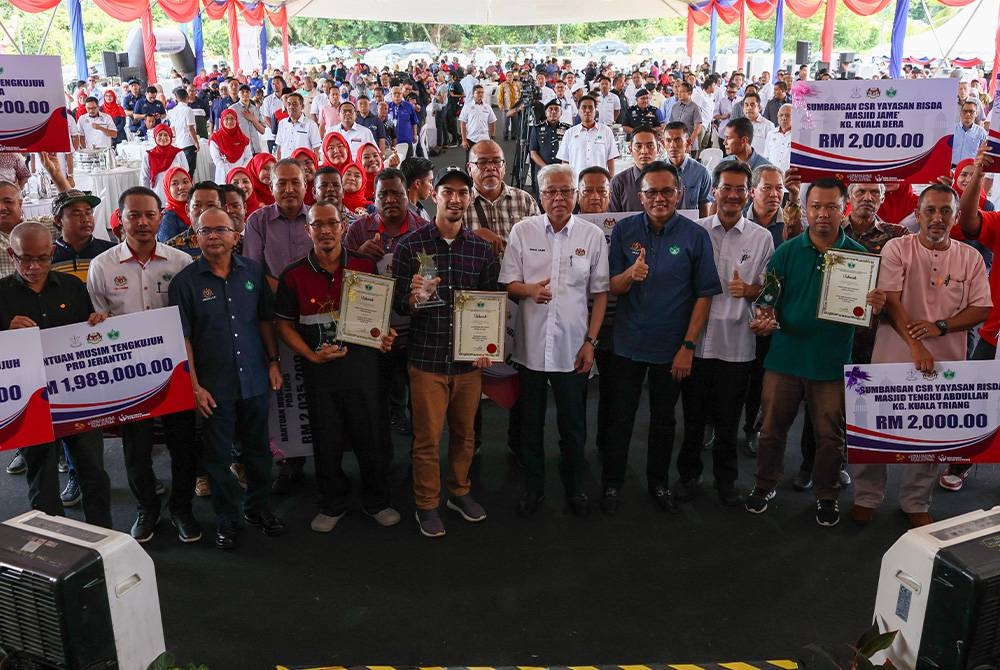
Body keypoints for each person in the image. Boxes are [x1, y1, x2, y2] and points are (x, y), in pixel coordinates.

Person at [745, 178, 886, 527]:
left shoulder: (860, 258)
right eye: (817, 206)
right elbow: (768, 301)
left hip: (831, 361)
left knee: (830, 436)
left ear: (843, 209)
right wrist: (764, 319)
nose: (823, 214)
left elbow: (866, 318)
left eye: (831, 207)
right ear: (806, 209)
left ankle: (826, 494)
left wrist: (875, 306)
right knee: (771, 430)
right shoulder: (786, 251)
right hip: (785, 357)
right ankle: (764, 484)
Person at [851, 184, 990, 528]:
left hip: (946, 362)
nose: (937, 218)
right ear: (917, 214)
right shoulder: (898, 247)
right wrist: (916, 345)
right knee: (877, 426)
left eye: (945, 211)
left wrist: (941, 327)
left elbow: (981, 309)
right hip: (893, 354)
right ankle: (866, 496)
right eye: (930, 210)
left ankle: (915, 501)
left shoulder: (970, 257)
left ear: (957, 217)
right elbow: (891, 299)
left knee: (930, 434)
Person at [601, 161, 722, 515]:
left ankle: (658, 482)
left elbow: (704, 295)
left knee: (664, 420)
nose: (659, 198)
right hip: (627, 344)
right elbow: (612, 286)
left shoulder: (695, 235)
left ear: (679, 194)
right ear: (640, 196)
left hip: (671, 348)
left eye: (667, 191)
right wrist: (630, 274)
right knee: (619, 418)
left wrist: (688, 346)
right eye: (651, 192)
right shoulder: (623, 231)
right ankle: (612, 482)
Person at [276, 200, 400, 533]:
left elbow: (379, 316)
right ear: (308, 230)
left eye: (332, 223)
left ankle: (377, 500)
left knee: (371, 435)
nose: (326, 230)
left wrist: (385, 334)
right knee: (326, 440)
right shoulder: (293, 275)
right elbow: (283, 325)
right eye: (318, 224)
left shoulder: (364, 265)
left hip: (364, 369)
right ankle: (332, 503)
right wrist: (311, 355)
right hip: (320, 373)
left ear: (344, 226)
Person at [391, 166, 500, 538]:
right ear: (434, 195)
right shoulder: (410, 246)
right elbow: (398, 305)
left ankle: (459, 492)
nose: (455, 199)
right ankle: (426, 504)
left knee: (465, 435)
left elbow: (490, 303)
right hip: (426, 360)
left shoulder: (481, 250)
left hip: (469, 364)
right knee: (426, 439)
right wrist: (415, 298)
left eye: (462, 193)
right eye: (447, 192)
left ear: (469, 198)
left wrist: (488, 347)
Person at [169, 206, 286, 550]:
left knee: (258, 451)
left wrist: (273, 362)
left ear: (236, 235)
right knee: (218, 458)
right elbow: (183, 338)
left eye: (221, 229)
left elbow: (265, 320)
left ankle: (258, 509)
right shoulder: (184, 283)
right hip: (213, 387)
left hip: (255, 378)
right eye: (205, 231)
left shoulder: (253, 272)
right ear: (196, 238)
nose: (213, 236)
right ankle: (227, 519)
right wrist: (194, 386)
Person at [87, 186, 200, 543]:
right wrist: (97, 323)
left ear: (160, 217)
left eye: (150, 215)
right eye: (133, 215)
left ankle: (182, 509)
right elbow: (96, 319)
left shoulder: (180, 263)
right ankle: (146, 508)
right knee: (136, 449)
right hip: (131, 375)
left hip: (175, 369)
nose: (142, 222)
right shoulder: (102, 266)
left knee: (183, 445)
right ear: (120, 219)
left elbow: (192, 317)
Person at [499, 164, 609, 517]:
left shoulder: (592, 236)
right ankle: (533, 488)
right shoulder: (523, 231)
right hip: (530, 349)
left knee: (573, 427)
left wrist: (591, 342)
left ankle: (575, 486)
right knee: (530, 427)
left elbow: (600, 294)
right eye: (550, 192)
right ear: (540, 195)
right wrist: (528, 290)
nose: (559, 198)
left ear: (576, 194)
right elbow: (508, 283)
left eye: (566, 191)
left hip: (573, 349)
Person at [0, 220, 112, 528]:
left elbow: (91, 335)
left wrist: (98, 323)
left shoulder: (73, 287)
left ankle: (104, 535)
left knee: (93, 469)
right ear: (11, 254)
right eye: (25, 258)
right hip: (29, 401)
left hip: (77, 395)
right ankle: (54, 539)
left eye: (42, 258)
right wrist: (5, 331)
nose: (34, 267)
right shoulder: (1, 294)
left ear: (52, 253)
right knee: (42, 475)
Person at [677, 162, 773, 506]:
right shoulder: (695, 230)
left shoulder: (761, 238)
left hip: (737, 344)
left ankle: (726, 481)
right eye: (726, 188)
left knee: (728, 421)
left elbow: (768, 291)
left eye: (740, 189)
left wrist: (749, 291)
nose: (732, 195)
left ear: (749, 194)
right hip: (696, 342)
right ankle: (688, 476)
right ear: (714, 191)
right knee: (693, 418)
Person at [242, 159, 312, 493]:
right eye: (281, 183)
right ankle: (288, 461)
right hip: (273, 317)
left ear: (305, 185)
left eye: (294, 182)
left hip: (315, 315)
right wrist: (289, 297)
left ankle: (321, 454)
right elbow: (253, 271)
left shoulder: (317, 216)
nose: (288, 189)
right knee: (284, 392)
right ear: (270, 187)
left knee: (314, 386)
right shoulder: (258, 221)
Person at [556, 95, 620, 177]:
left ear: (595, 111)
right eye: (584, 107)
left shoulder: (606, 131)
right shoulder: (569, 133)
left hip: (600, 181)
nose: (587, 110)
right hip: (576, 181)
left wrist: (611, 180)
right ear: (578, 111)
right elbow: (565, 161)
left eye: (590, 107)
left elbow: (610, 159)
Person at [662, 122, 712, 217]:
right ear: (663, 143)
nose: (673, 145)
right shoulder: (656, 172)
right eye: (668, 140)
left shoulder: (701, 172)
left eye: (678, 140)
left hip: (691, 222)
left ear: (688, 142)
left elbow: (704, 205)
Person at [609, 126, 660, 213]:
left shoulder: (671, 180)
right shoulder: (618, 183)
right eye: (638, 146)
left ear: (658, 148)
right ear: (630, 149)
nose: (644, 151)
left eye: (650, 146)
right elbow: (611, 218)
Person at [140, 125, 187, 202]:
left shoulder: (179, 153)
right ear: (155, 137)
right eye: (160, 135)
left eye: (166, 135)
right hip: (158, 195)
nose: (163, 138)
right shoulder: (148, 155)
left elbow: (185, 173)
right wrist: (146, 197)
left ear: (170, 136)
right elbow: (145, 178)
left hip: (177, 194)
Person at [210, 108, 252, 184]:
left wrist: (240, 170)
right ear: (222, 120)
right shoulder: (215, 139)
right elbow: (216, 159)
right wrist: (229, 172)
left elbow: (249, 157)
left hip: (241, 173)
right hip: (224, 174)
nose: (229, 121)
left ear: (236, 120)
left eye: (232, 118)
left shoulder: (243, 139)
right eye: (226, 119)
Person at [274, 93, 321, 160]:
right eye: (289, 104)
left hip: (302, 164)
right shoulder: (282, 123)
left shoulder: (311, 125)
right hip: (285, 163)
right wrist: (278, 163)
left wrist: (314, 164)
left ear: (302, 106)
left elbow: (317, 149)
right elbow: (279, 147)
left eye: (294, 104)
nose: (291, 107)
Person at [167, 88, 200, 174]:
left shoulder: (173, 111)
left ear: (177, 99)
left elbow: (173, 128)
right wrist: (196, 142)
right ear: (187, 97)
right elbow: (190, 128)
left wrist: (178, 137)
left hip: (179, 144)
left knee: (183, 170)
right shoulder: (188, 110)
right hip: (188, 143)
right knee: (190, 170)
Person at [458, 85, 497, 150]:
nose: (480, 94)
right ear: (473, 94)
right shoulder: (467, 107)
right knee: (471, 157)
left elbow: (492, 121)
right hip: (471, 139)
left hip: (485, 139)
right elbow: (463, 124)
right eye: (478, 92)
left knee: (485, 156)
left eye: (482, 92)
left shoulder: (487, 107)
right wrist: (464, 140)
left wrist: (493, 136)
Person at [387, 86, 420, 159]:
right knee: (395, 161)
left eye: (399, 93)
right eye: (394, 93)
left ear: (402, 94)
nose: (397, 95)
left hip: (406, 139)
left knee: (409, 161)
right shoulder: (388, 107)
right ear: (391, 95)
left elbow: (414, 122)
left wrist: (415, 135)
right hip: (393, 141)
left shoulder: (408, 106)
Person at [953, 101, 987, 167]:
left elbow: (983, 154)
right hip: (951, 168)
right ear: (960, 113)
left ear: (976, 114)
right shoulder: (952, 130)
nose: (968, 114)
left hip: (971, 169)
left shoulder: (981, 132)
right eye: (965, 111)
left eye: (971, 111)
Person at [763, 104, 792, 173]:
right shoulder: (771, 134)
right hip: (773, 175)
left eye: (787, 115)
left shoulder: (798, 135)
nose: (784, 118)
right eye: (781, 115)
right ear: (777, 117)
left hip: (791, 175)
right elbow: (766, 157)